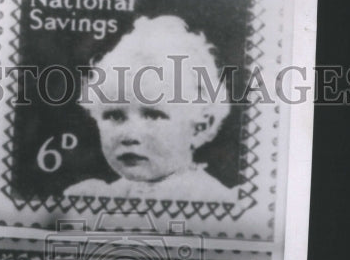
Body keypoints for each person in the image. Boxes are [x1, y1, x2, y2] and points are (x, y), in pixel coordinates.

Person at [65, 15, 238, 201]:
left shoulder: (212, 200)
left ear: (200, 127)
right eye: (114, 116)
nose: (130, 136)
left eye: (153, 115)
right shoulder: (102, 197)